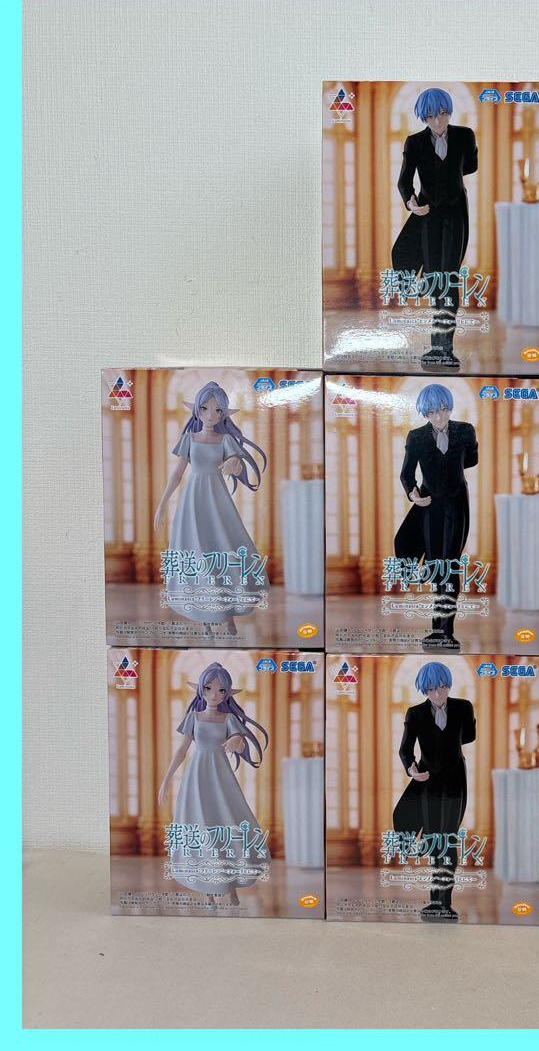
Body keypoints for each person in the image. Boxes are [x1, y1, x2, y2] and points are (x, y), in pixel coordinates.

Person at [154, 381, 268, 635]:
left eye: (218, 411)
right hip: (192, 501)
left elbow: (237, 464)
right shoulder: (189, 439)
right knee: (196, 551)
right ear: (197, 409)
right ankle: (204, 618)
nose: (210, 415)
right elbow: (177, 474)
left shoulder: (225, 439)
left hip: (216, 499)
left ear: (223, 414)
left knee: (222, 548)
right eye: (205, 409)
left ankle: (227, 615)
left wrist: (233, 465)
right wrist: (162, 504)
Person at [157, 661, 270, 908]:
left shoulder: (228, 718)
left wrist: (237, 741)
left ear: (228, 693)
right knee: (201, 826)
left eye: (221, 690)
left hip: (220, 776)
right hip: (196, 777)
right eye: (208, 688)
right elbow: (181, 750)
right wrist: (166, 779)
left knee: (225, 823)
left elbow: (239, 740)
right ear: (200, 689)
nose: (214, 695)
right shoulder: (193, 718)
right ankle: (207, 891)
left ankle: (230, 886)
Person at [391, 86, 478, 370]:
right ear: (423, 117)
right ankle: (436, 347)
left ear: (449, 111)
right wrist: (411, 202)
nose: (438, 121)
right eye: (430, 116)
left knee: (448, 279)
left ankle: (446, 349)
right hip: (427, 216)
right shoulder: (415, 142)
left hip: (455, 215)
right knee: (432, 277)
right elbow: (404, 180)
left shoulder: (465, 136)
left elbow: (471, 166)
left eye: (442, 113)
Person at [395, 383, 478, 651]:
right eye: (432, 412)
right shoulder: (416, 437)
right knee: (433, 565)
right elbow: (406, 474)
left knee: (449, 566)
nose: (439, 416)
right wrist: (414, 494)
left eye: (443, 409)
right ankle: (437, 630)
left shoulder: (466, 431)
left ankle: (446, 632)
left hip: (457, 506)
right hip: (429, 507)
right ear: (425, 413)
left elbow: (471, 460)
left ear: (450, 407)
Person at [392, 661, 476, 921]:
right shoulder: (415, 713)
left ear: (448, 684)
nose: (438, 693)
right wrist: (412, 769)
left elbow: (469, 736)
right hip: (427, 783)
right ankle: (435, 902)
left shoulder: (464, 708)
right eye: (431, 689)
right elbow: (405, 749)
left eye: (442, 687)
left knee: (448, 840)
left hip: (455, 783)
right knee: (432, 840)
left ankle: (445, 903)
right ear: (424, 690)